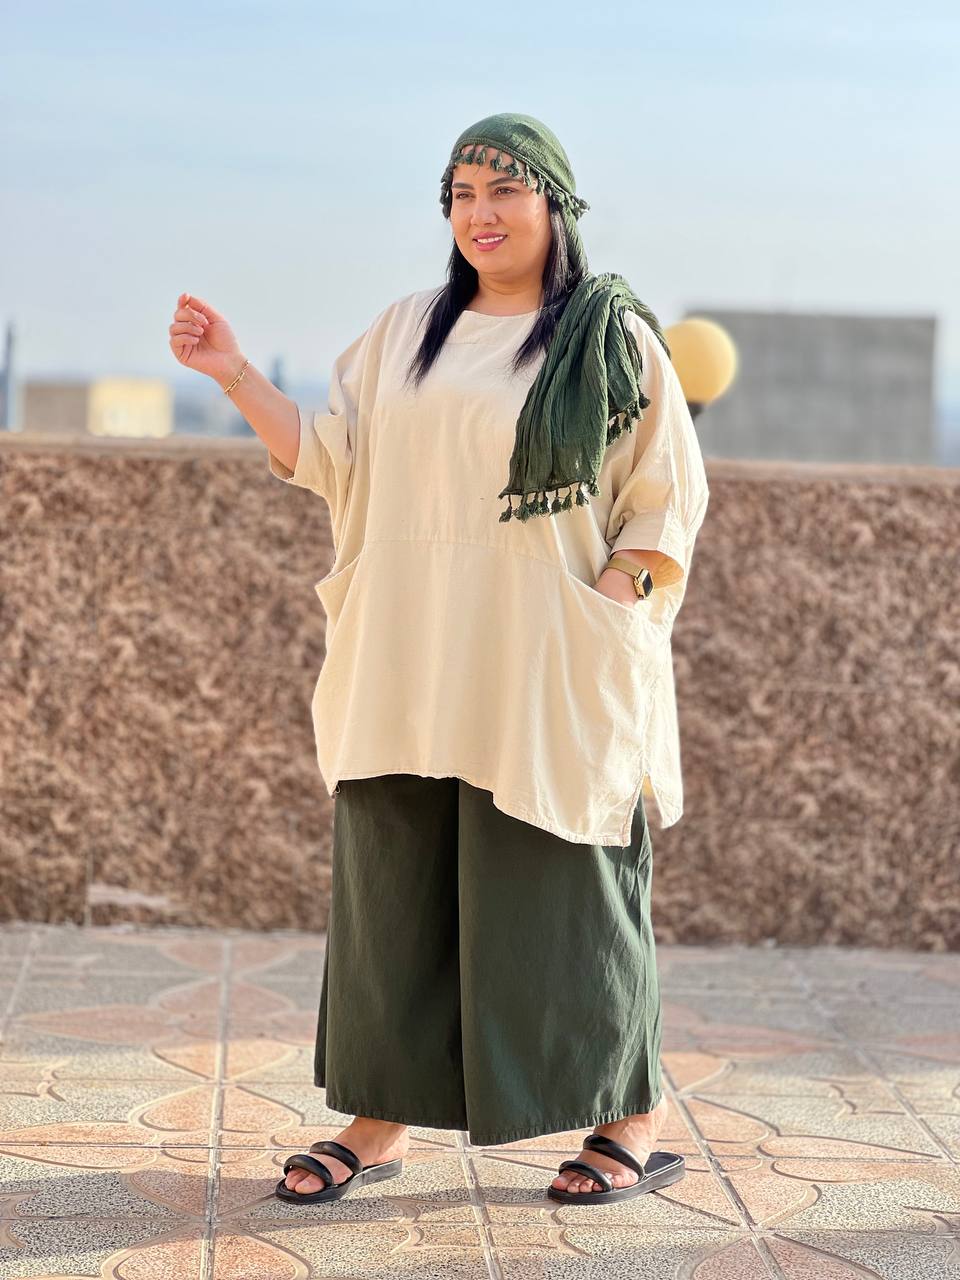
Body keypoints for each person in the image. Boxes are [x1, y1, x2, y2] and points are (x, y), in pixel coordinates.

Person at [167, 112, 709, 1207]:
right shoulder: (406, 330)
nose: (480, 213)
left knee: (569, 887)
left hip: (545, 661)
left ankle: (629, 1116)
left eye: (505, 189)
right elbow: (332, 459)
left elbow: (664, 501)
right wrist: (232, 373)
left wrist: (597, 615)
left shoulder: (607, 339)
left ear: (555, 202)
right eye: (462, 193)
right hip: (409, 653)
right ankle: (379, 1121)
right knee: (396, 890)